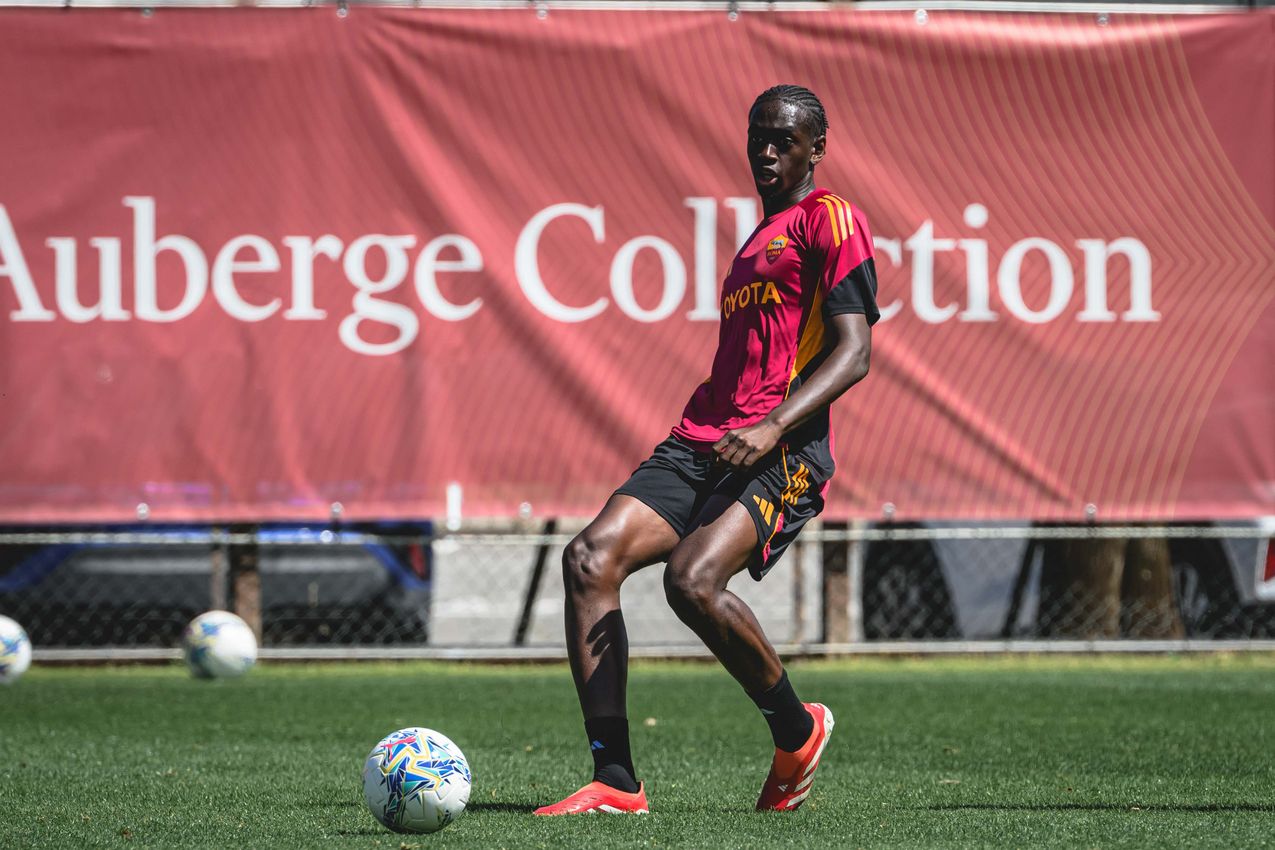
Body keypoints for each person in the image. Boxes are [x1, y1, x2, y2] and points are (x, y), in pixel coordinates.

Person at [534, 84, 879, 816]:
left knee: (690, 581)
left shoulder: (832, 219)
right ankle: (616, 781)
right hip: (702, 439)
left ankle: (797, 730)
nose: (765, 149)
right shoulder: (756, 240)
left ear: (816, 147)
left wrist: (774, 425)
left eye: (783, 138)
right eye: (757, 134)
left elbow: (853, 354)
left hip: (782, 448)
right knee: (589, 559)